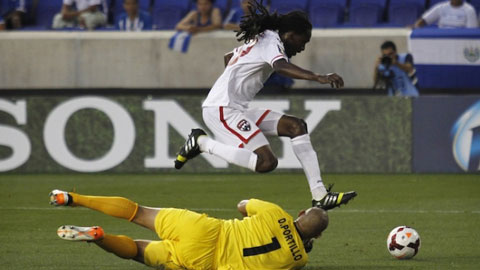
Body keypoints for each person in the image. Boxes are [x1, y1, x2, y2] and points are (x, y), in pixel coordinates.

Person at [174, 0, 357, 210]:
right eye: (302, 41)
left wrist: (238, 81)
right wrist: (318, 77)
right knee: (266, 162)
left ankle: (320, 195)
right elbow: (280, 66)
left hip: (234, 107)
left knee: (296, 127)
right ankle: (202, 143)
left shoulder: (264, 38)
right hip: (222, 109)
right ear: (289, 34)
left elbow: (228, 58)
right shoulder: (272, 43)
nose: (302, 47)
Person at [49, 189, 329, 270]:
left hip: (206, 229)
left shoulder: (275, 212)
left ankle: (74, 198)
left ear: (301, 213)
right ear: (316, 236)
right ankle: (99, 237)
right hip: (206, 261)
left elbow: (242, 204)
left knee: (138, 212)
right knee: (137, 250)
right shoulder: (299, 260)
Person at [414, 0, 478, 28]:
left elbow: (471, 33)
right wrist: (414, 27)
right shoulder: (441, 7)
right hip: (442, 40)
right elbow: (423, 20)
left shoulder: (469, 10)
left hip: (460, 41)